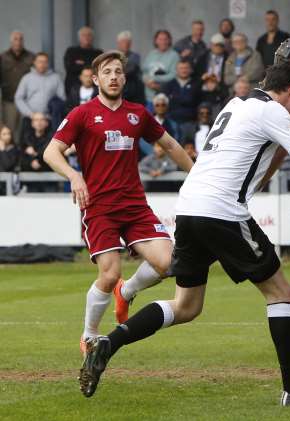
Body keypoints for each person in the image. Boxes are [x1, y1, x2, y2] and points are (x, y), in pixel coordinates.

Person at [77, 59, 290, 403]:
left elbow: (259, 174)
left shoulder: (237, 104)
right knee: (279, 292)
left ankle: (109, 343)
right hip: (222, 212)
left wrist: (286, 138)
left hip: (189, 210)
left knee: (186, 306)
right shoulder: (273, 113)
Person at [42, 51, 193, 361]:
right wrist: (74, 176)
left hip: (135, 206)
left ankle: (126, 292)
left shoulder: (138, 113)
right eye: (107, 72)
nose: (113, 76)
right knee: (108, 273)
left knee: (169, 263)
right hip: (98, 207)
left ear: (125, 79)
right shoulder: (82, 114)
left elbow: (171, 145)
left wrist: (198, 175)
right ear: (95, 79)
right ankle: (89, 335)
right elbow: (51, 152)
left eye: (118, 72)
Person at [15, 52, 65, 138]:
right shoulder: (27, 78)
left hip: (49, 119)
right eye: (39, 61)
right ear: (34, 62)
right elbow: (18, 98)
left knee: (49, 146)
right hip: (30, 118)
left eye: (45, 62)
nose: (42, 64)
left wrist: (52, 114)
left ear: (48, 63)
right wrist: (31, 114)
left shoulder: (56, 78)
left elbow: (62, 98)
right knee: (27, 145)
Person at [0, 31, 35, 137]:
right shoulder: (2, 57)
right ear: (11, 41)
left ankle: (23, 152)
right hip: (9, 100)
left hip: (27, 101)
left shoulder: (31, 57)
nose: (18, 42)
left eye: (20, 39)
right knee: (10, 129)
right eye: (15, 39)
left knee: (25, 129)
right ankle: (12, 153)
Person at [142, 30, 179, 105]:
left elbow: (174, 75)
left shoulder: (174, 56)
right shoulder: (151, 54)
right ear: (156, 41)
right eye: (160, 39)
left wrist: (154, 79)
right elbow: (144, 71)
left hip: (164, 97)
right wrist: (147, 81)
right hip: (149, 97)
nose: (163, 42)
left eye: (165, 39)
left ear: (169, 41)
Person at [63, 27, 103, 95]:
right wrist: (90, 64)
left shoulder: (99, 53)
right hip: (73, 88)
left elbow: (100, 70)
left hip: (94, 89)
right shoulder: (71, 51)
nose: (86, 37)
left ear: (92, 38)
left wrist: (81, 64)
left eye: (89, 35)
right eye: (84, 35)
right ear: (79, 38)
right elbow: (69, 68)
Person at [162, 60, 201, 125]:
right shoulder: (169, 85)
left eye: (186, 68)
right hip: (172, 121)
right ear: (176, 70)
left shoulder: (197, 84)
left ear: (191, 70)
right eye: (181, 68)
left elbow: (195, 101)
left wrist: (175, 98)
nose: (184, 70)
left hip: (191, 121)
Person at [116, 31, 145, 104]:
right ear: (118, 43)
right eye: (123, 42)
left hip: (133, 89)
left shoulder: (135, 56)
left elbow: (131, 70)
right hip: (118, 88)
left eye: (128, 42)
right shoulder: (113, 56)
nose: (126, 44)